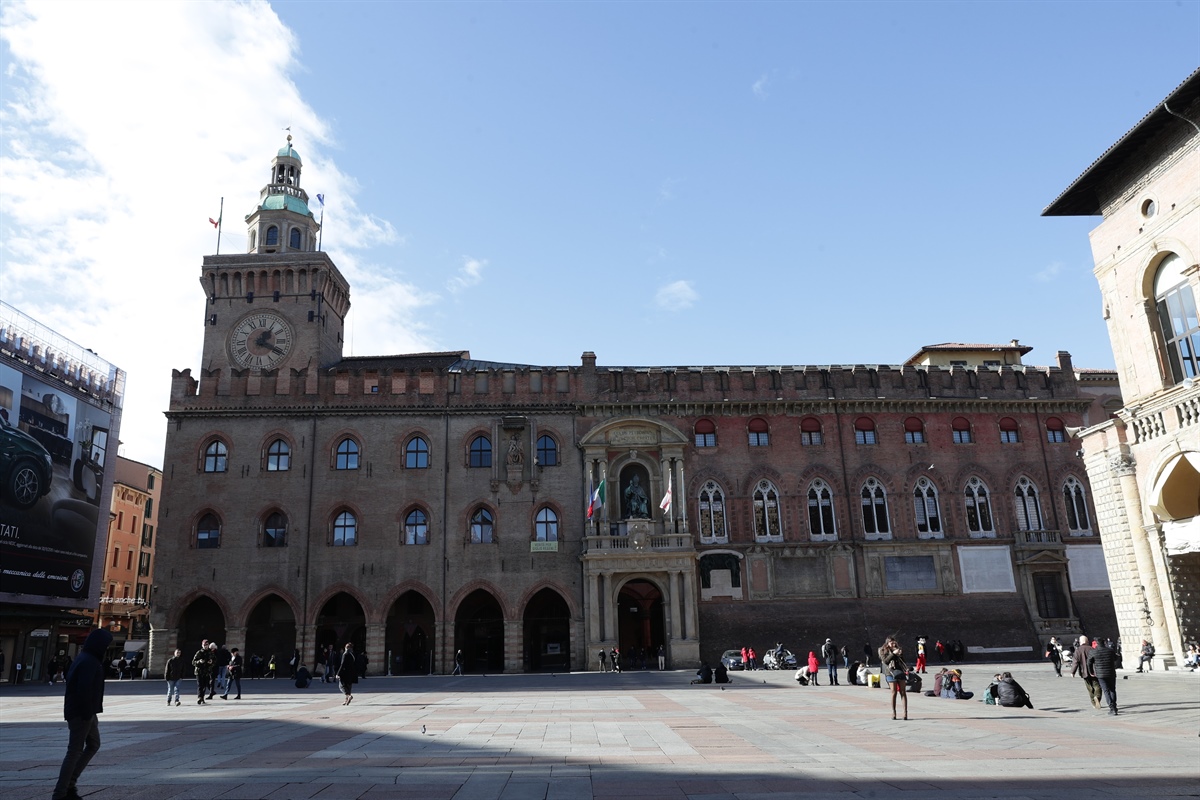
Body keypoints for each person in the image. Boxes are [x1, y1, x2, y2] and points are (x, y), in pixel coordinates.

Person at [52, 628, 112, 800]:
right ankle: (61, 793)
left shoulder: (87, 658)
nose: (106, 648)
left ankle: (69, 785)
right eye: (105, 644)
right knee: (74, 751)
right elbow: (83, 689)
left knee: (93, 744)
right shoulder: (89, 661)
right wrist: (87, 713)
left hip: (87, 711)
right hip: (81, 712)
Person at [1088, 637, 1120, 715]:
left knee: (1106, 690)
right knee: (1112, 689)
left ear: (1096, 643)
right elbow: (1116, 658)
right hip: (1111, 672)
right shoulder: (1110, 650)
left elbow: (1089, 662)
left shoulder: (1093, 652)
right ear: (1104, 642)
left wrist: (1091, 672)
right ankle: (1114, 707)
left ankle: (1112, 708)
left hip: (1100, 674)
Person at [879, 637, 908, 720]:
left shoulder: (898, 649)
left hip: (900, 672)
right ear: (887, 643)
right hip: (890, 673)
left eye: (894, 642)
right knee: (893, 692)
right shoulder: (882, 650)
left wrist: (900, 654)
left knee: (903, 692)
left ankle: (905, 712)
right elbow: (885, 661)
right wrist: (893, 654)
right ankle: (894, 712)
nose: (893, 644)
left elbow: (903, 662)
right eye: (891, 643)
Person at [1071, 634, 1102, 710]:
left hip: (1084, 672)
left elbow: (1075, 662)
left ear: (1080, 642)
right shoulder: (1092, 649)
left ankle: (1094, 703)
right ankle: (1097, 697)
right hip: (1094, 671)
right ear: (1087, 641)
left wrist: (1073, 672)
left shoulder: (1077, 651)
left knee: (1089, 688)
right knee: (1097, 685)